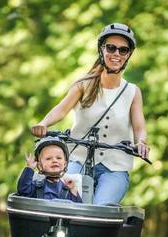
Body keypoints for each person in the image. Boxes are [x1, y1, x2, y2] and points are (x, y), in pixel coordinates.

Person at [31, 23, 149, 205]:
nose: (116, 54)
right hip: (78, 158)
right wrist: (44, 124)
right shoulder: (83, 84)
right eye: (111, 48)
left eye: (123, 50)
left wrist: (140, 143)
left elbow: (139, 127)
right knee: (61, 199)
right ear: (101, 50)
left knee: (102, 208)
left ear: (128, 56)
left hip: (114, 167)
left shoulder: (132, 92)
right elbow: (62, 109)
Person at [17, 136, 82, 203]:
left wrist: (73, 191)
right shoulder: (37, 186)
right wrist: (29, 168)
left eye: (59, 158)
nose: (54, 160)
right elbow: (23, 191)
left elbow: (78, 208)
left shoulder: (66, 189)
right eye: (48, 158)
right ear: (39, 165)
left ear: (65, 164)